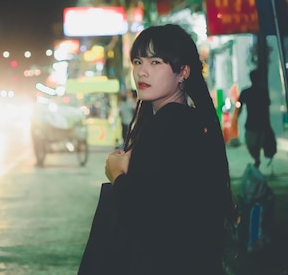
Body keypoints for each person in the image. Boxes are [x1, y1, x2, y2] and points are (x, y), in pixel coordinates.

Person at [85, 24, 235, 275]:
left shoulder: (171, 123)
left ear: (183, 72)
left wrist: (117, 174)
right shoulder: (183, 120)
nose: (142, 71)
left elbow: (145, 215)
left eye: (155, 62)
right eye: (137, 61)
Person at [231, 69, 276, 168]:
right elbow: (266, 109)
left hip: (254, 124)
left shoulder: (250, 92)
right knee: (254, 144)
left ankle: (257, 159)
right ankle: (257, 159)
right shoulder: (259, 92)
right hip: (259, 123)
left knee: (253, 144)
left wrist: (236, 116)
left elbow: (239, 105)